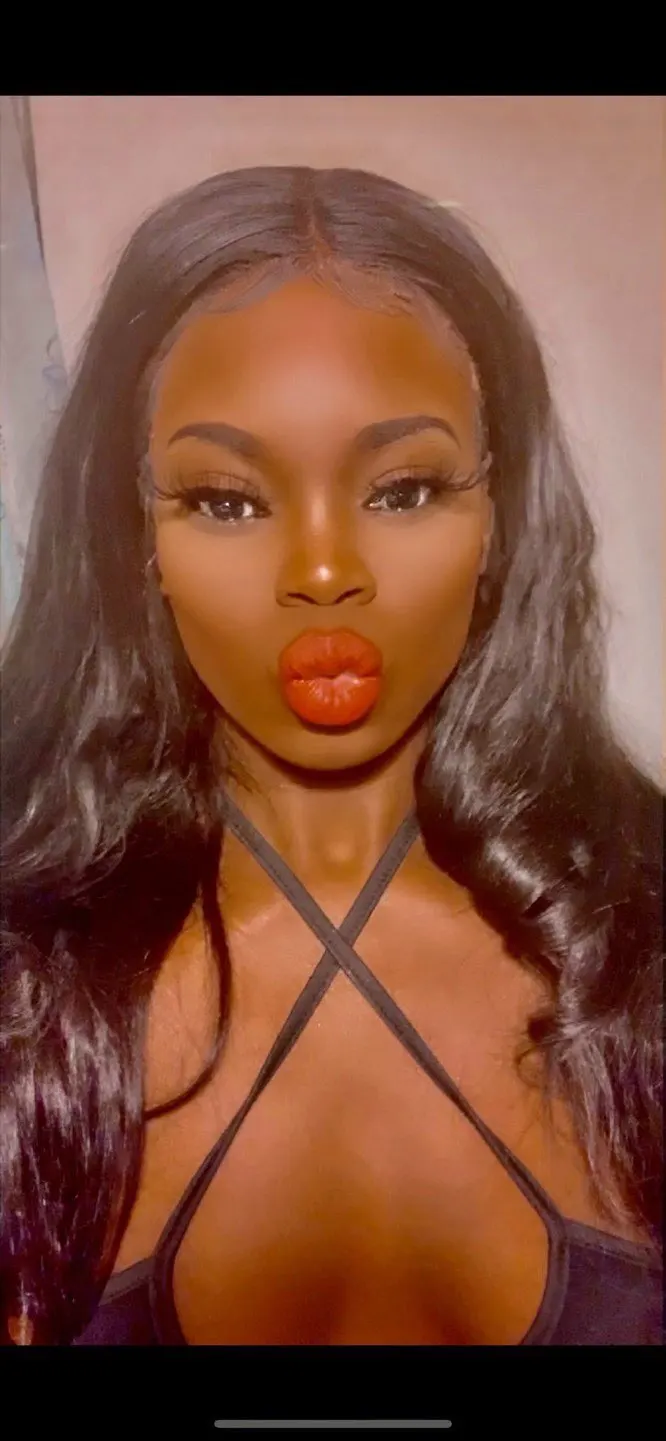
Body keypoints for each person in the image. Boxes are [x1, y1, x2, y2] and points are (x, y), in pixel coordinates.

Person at [1, 166, 662, 1348]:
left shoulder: (642, 952)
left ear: (501, 515)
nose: (322, 571)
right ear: (134, 530)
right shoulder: (27, 1004)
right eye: (227, 500)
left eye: (404, 488)